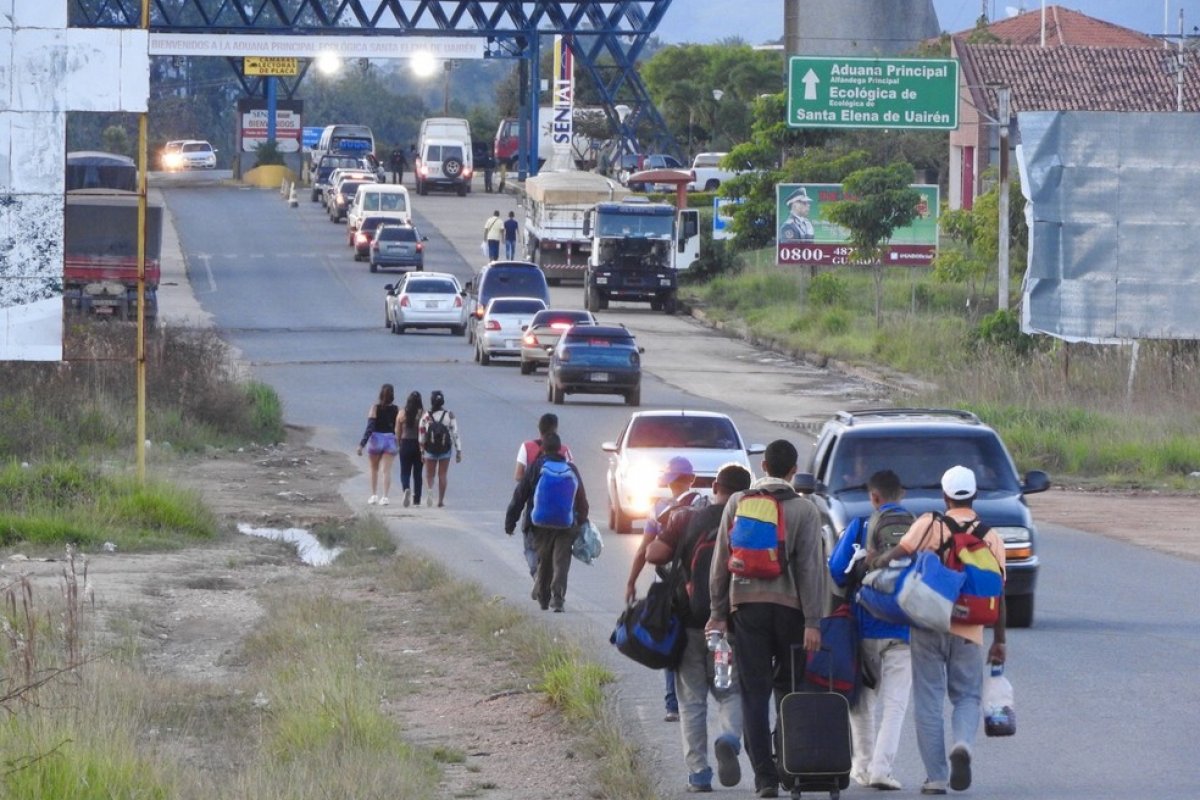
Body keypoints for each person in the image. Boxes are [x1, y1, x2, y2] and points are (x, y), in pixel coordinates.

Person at [871, 465, 1007, 796]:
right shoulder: (991, 537)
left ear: (944, 496)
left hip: (928, 623)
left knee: (929, 701)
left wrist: (875, 561)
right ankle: (962, 745)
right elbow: (999, 593)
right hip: (969, 629)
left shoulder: (929, 523)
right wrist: (1000, 640)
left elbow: (897, 554)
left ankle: (936, 778)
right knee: (967, 697)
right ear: (974, 496)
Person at [706, 439, 826, 799]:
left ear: (763, 467)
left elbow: (720, 564)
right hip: (791, 613)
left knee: (754, 694)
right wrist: (813, 622)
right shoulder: (805, 510)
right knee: (789, 692)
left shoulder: (737, 503)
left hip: (747, 609)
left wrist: (718, 614)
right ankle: (790, 769)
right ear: (793, 471)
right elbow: (810, 570)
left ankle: (765, 779)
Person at [646, 463, 752, 794]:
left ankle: (699, 774)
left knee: (691, 700)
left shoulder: (687, 517)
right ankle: (729, 738)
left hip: (691, 625)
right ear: (744, 492)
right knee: (730, 691)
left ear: (715, 486)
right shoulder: (747, 523)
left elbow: (654, 553)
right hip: (729, 628)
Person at [827, 469, 914, 791]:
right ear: (900, 494)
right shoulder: (917, 529)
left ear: (874, 497)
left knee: (862, 701)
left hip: (864, 626)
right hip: (903, 627)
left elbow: (836, 571)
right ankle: (882, 767)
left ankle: (861, 767)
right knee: (896, 704)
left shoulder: (861, 525)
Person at [625, 456, 705, 723]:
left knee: (669, 636)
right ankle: (699, 699)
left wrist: (631, 581)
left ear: (669, 482)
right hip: (699, 585)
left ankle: (672, 704)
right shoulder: (703, 505)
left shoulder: (659, 509)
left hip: (669, 585)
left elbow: (643, 551)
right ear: (691, 479)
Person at [504, 433, 589, 612]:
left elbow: (520, 495)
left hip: (541, 522)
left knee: (544, 559)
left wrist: (510, 522)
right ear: (560, 449)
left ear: (542, 449)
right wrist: (580, 520)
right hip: (566, 523)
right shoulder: (570, 468)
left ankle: (543, 598)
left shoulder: (537, 466)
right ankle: (558, 599)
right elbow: (581, 498)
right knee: (561, 560)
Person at [515, 414, 575, 579]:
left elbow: (518, 476)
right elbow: (573, 478)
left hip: (535, 509)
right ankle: (554, 579)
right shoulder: (565, 450)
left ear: (539, 429)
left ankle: (537, 574)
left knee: (530, 546)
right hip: (562, 509)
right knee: (560, 546)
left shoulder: (526, 447)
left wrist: (533, 480)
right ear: (555, 429)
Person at [355, 383, 400, 506]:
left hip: (376, 439)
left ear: (380, 395)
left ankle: (374, 495)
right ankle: (385, 497)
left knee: (374, 469)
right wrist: (399, 443)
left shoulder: (374, 408)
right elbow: (398, 428)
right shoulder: (397, 409)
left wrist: (361, 445)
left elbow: (369, 428)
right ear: (393, 396)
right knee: (387, 471)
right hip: (390, 440)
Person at [419, 390, 462, 508]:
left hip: (430, 449)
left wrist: (422, 451)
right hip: (445, 449)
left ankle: (429, 493)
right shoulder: (449, 415)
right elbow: (455, 433)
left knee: (429, 474)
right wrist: (459, 450)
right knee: (442, 475)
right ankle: (440, 501)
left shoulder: (426, 415)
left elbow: (422, 434)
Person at [396, 390, 424, 508]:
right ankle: (417, 499)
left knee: (405, 471)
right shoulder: (423, 414)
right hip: (418, 445)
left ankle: (406, 489)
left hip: (405, 443)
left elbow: (397, 430)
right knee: (418, 473)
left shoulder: (402, 413)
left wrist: (399, 443)